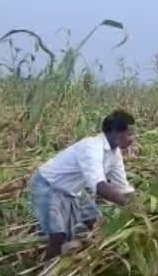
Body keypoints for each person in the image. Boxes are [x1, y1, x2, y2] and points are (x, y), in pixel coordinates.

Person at [30, 110, 136, 258]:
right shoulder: (91, 147)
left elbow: (123, 187)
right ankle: (46, 273)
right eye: (129, 134)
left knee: (98, 224)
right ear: (115, 133)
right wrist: (131, 206)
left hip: (75, 189)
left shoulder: (114, 153)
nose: (132, 139)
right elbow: (100, 187)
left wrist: (143, 206)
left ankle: (92, 257)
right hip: (49, 186)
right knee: (58, 236)